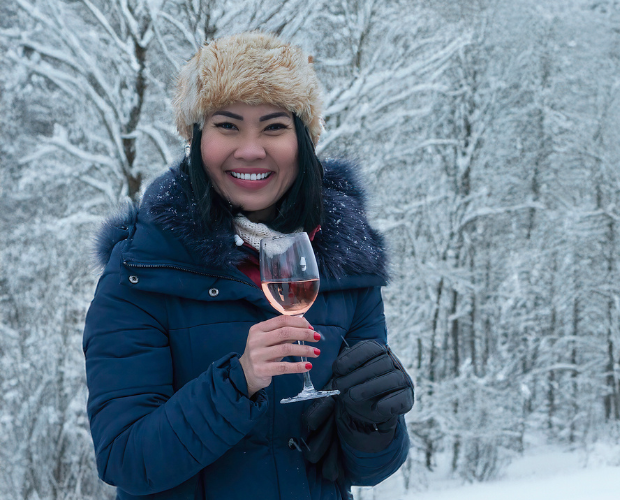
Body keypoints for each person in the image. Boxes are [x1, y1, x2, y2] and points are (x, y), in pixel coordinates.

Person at [83, 32, 413, 500]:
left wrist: (372, 416)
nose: (252, 150)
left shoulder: (344, 263)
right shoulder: (143, 268)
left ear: (302, 138)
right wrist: (239, 381)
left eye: (274, 127)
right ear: (198, 137)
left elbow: (363, 469)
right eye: (229, 125)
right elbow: (125, 458)